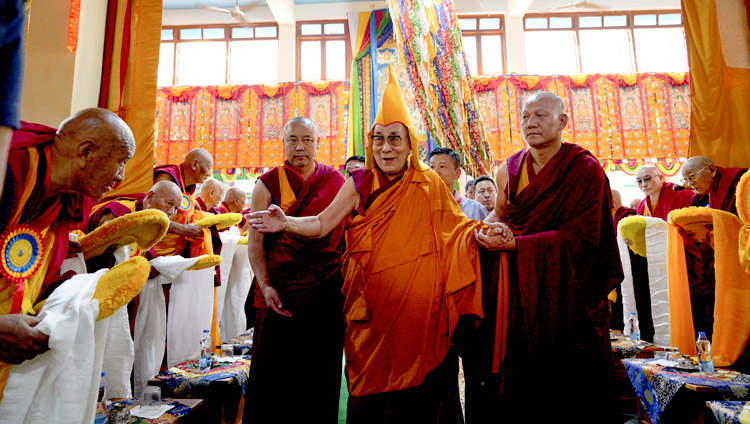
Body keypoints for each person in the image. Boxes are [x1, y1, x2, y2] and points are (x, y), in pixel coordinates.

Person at [248, 66, 492, 423]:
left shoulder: (428, 184)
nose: (386, 147)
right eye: (378, 139)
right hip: (371, 314)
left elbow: (456, 234)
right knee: (370, 396)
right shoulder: (358, 182)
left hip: (418, 315)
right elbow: (320, 224)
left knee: (419, 400)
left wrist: (482, 234)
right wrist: (287, 222)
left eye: (395, 139)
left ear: (411, 144)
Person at [476, 92, 623, 422]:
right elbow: (500, 215)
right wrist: (485, 231)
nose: (531, 123)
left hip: (570, 295)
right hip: (520, 289)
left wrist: (519, 246)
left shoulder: (585, 170)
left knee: (570, 384)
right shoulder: (509, 168)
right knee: (522, 373)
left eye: (540, 116)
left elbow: (586, 238)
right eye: (525, 117)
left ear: (562, 122)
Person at [0, 108, 135, 401]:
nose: (121, 178)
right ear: (86, 151)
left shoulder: (65, 200)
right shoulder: (8, 170)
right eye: (121, 162)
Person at [243, 117, 346, 423]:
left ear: (318, 143)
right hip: (280, 290)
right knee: (273, 374)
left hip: (325, 290)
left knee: (320, 372)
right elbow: (256, 241)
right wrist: (264, 285)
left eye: (307, 140)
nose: (300, 147)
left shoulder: (335, 182)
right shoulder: (267, 183)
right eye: (292, 140)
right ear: (284, 143)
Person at [153, 148, 213, 257]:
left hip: (177, 251)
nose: (210, 173)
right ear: (195, 165)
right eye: (208, 168)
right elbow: (154, 217)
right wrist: (184, 230)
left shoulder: (190, 187)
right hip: (155, 251)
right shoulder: (167, 179)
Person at [430, 147, 488, 221]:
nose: (435, 173)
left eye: (442, 166)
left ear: (457, 174)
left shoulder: (475, 210)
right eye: (432, 167)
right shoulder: (424, 208)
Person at [682, 156, 748, 215]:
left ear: (711, 170)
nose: (690, 183)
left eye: (692, 176)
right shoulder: (703, 197)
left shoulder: (739, 180)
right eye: (686, 179)